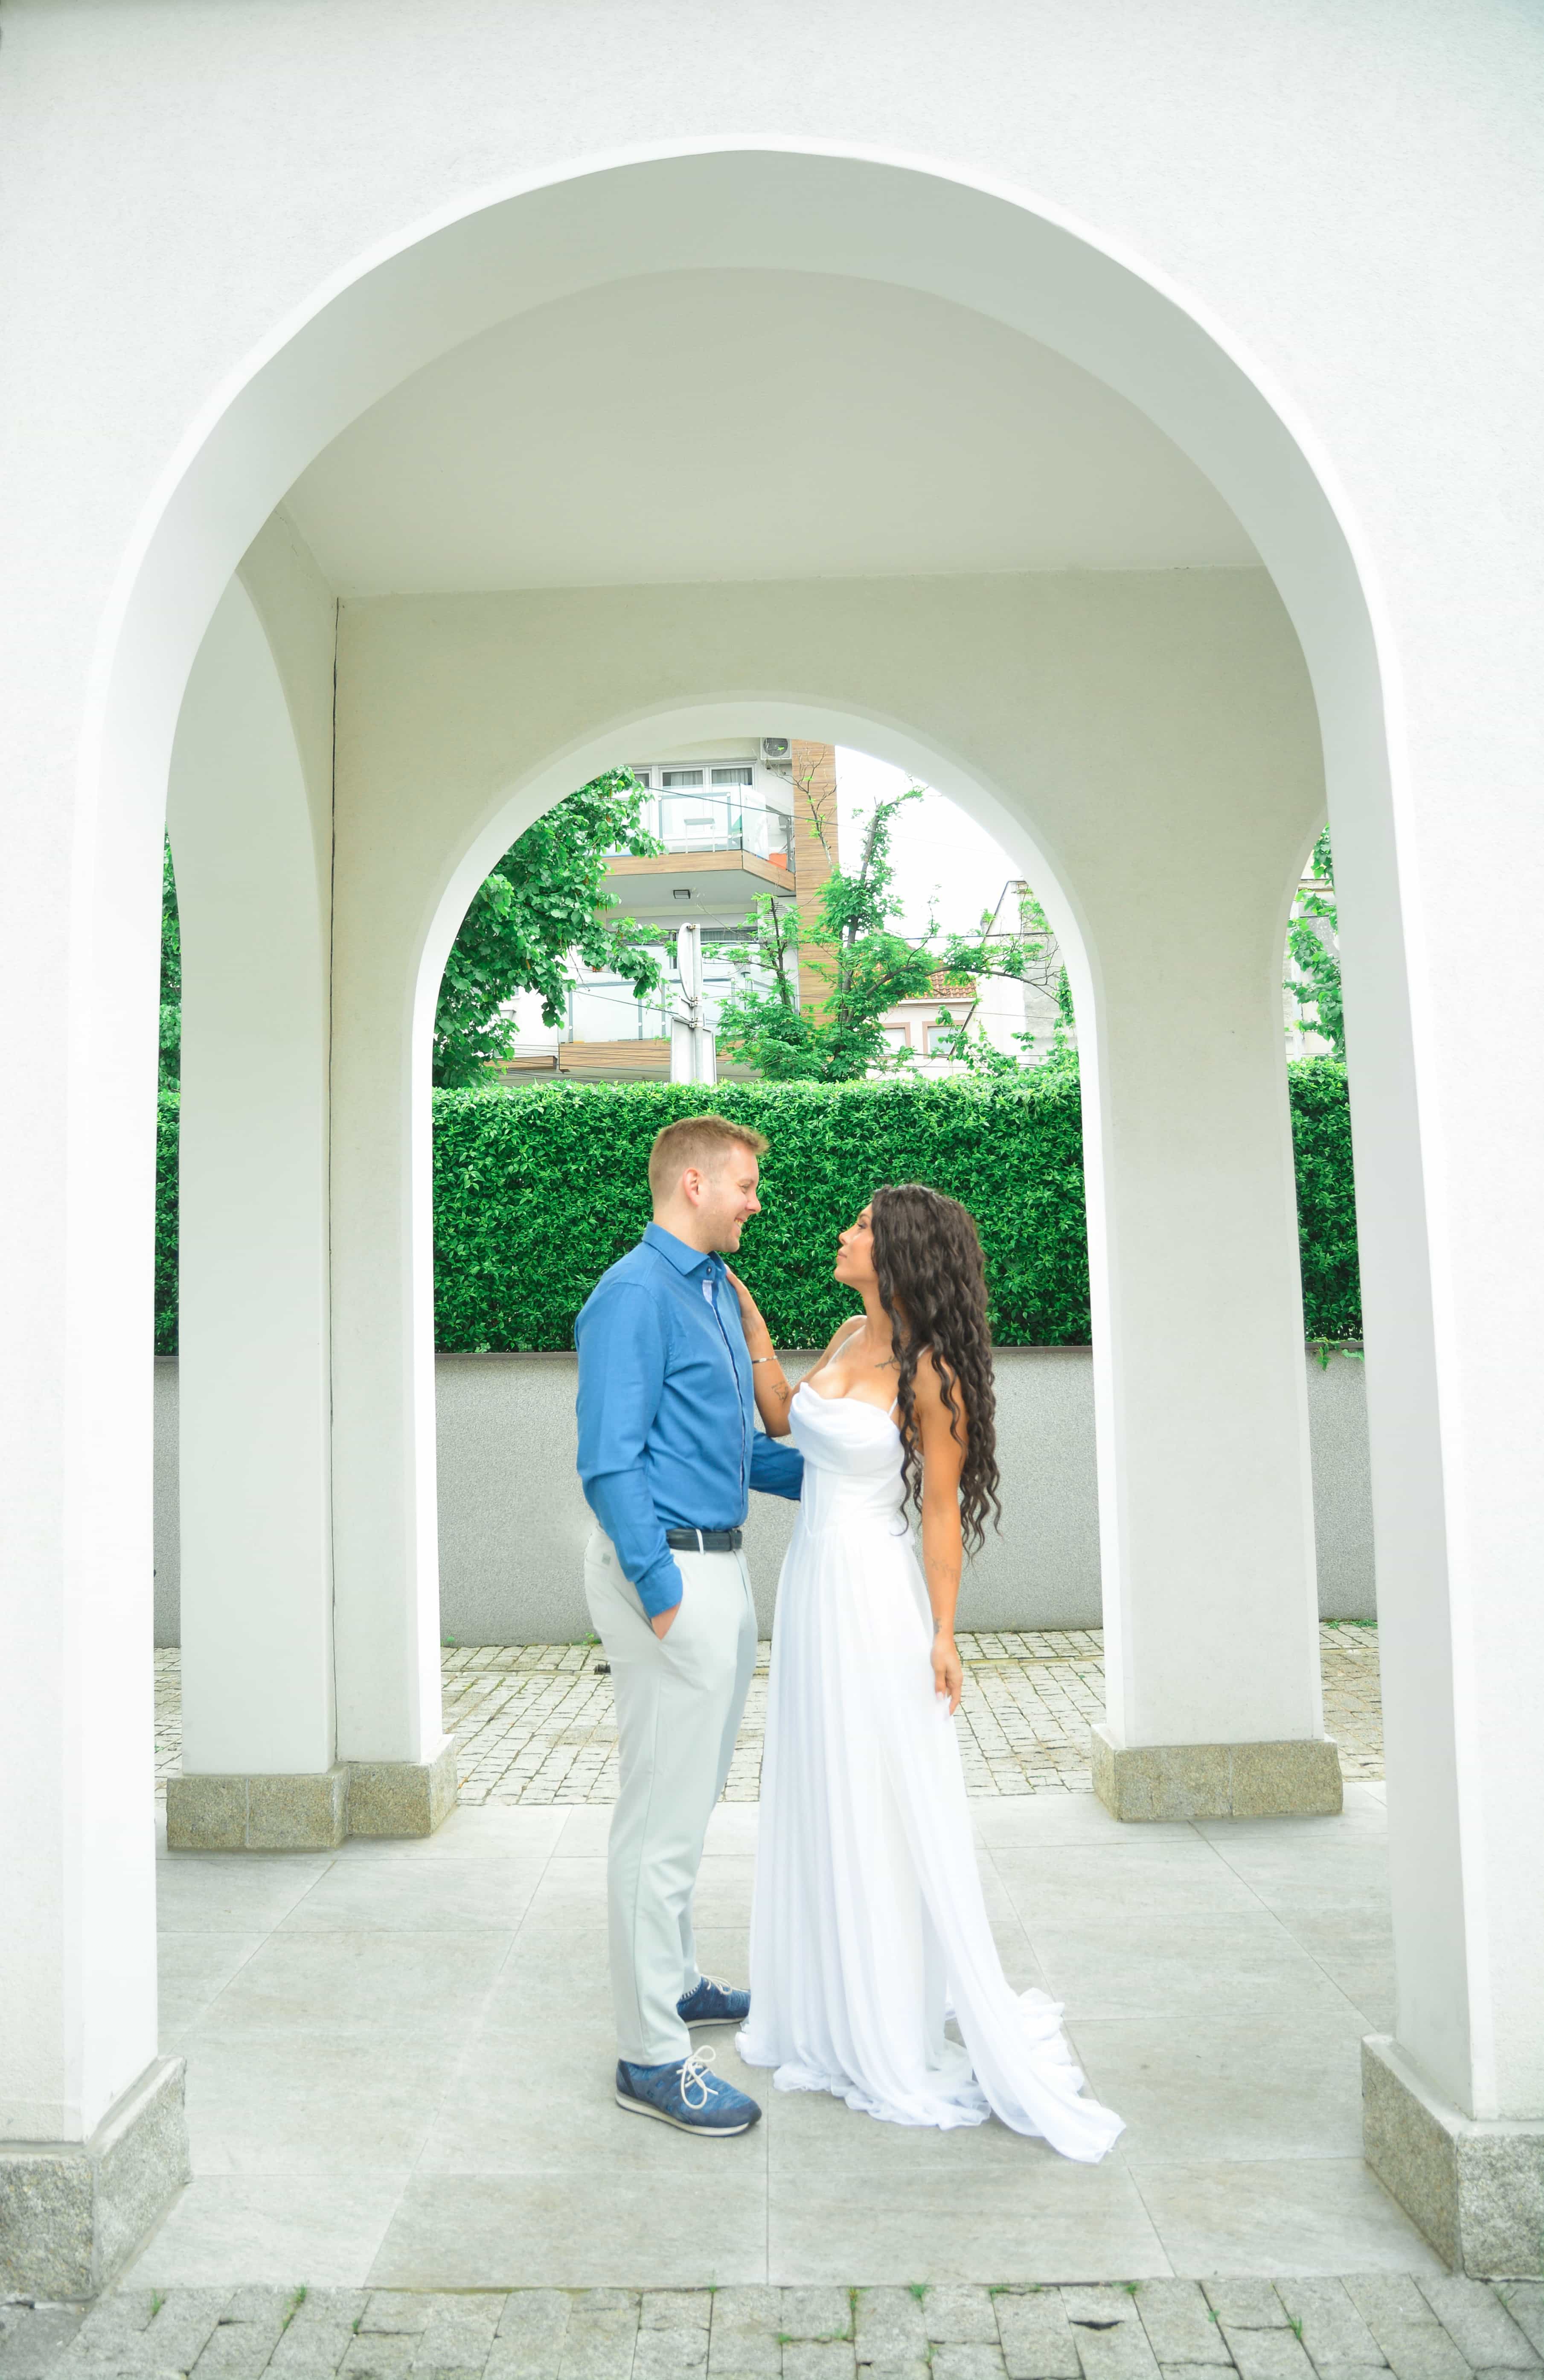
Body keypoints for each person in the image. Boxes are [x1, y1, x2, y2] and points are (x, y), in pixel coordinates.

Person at [729, 1183, 1123, 2160]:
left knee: (877, 1798)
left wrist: (944, 1631)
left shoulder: (931, 1371)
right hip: (810, 1587)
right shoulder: (841, 1333)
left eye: (860, 1226)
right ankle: (822, 2002)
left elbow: (940, 1511)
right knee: (820, 1790)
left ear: (900, 1251)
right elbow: (782, 1421)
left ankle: (886, 2021)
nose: (843, 1232)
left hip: (874, 1598)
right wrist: (751, 1326)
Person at [575, 1113, 803, 2138]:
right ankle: (649, 2056)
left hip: (720, 1559)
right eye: (747, 1184)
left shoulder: (708, 1288)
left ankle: (676, 1982)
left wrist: (851, 1471)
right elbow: (609, 1458)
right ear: (696, 1182)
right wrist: (658, 1586)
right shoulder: (633, 1294)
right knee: (658, 1820)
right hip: (672, 1571)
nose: (758, 1199)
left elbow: (729, 1445)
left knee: (689, 1797)